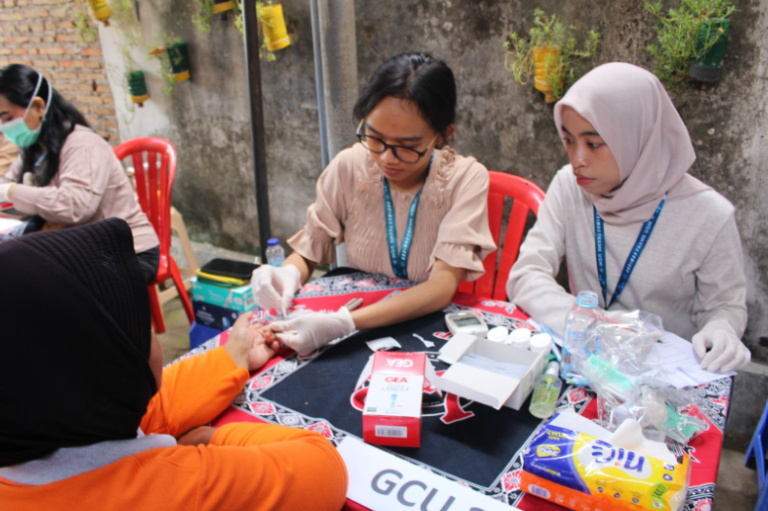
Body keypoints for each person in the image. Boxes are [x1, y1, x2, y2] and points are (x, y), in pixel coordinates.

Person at [0, 219, 348, 511]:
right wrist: (211, 438)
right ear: (118, 368)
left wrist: (235, 355)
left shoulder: (37, 420)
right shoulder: (177, 489)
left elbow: (151, 408)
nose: (154, 335)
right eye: (144, 328)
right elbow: (322, 468)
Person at [506, 62, 750, 374]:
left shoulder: (709, 215)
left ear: (637, 137)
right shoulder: (569, 186)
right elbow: (526, 274)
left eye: (594, 144)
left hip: (663, 376)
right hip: (588, 363)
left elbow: (724, 307)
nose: (578, 159)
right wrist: (593, 322)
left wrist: (723, 330)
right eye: (569, 140)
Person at [251, 53, 495, 355]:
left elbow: (441, 287)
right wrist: (286, 273)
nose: (386, 158)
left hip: (422, 325)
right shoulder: (349, 167)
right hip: (357, 319)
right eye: (375, 138)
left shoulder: (465, 179)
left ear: (443, 135)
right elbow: (309, 250)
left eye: (407, 146)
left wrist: (343, 323)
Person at [0, 64, 160, 283]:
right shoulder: (34, 149)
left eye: (7, 117)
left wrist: (12, 191)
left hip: (126, 254)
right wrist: (8, 191)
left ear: (38, 106)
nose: (4, 127)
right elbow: (6, 185)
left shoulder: (82, 144)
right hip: (81, 250)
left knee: (34, 287)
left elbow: (76, 207)